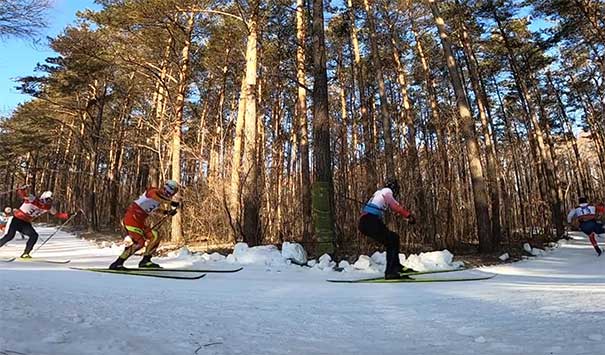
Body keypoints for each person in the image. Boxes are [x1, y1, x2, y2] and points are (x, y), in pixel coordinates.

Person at [109, 180, 180, 270]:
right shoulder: (154, 191)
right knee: (140, 242)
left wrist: (166, 212)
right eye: (173, 191)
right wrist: (170, 203)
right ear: (169, 189)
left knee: (155, 235)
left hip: (139, 222)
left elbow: (154, 209)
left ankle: (146, 260)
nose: (172, 194)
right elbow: (154, 197)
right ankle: (118, 263)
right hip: (131, 219)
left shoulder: (160, 199)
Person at [358, 178, 416, 280]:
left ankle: (396, 266)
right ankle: (391, 272)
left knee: (393, 238)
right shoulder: (386, 191)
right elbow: (394, 205)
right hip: (370, 220)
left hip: (365, 221)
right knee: (392, 240)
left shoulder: (377, 193)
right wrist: (408, 215)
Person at [0, 188, 69, 258]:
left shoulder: (48, 207)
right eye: (47, 199)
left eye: (50, 200)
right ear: (43, 198)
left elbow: (57, 214)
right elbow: (23, 195)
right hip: (16, 220)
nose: (48, 202)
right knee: (9, 236)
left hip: (25, 223)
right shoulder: (33, 199)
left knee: (34, 236)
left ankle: (26, 253)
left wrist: (68, 215)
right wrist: (22, 190)